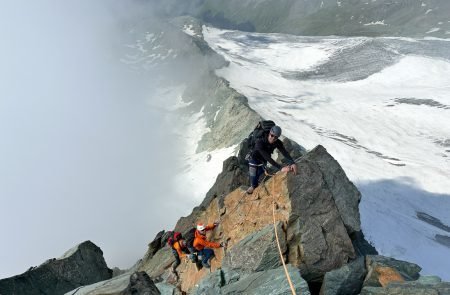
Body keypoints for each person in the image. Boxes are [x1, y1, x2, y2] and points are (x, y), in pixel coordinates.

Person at [247, 125, 297, 194]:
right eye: (272, 135)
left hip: (263, 160)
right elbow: (266, 156)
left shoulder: (277, 142)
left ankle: (257, 182)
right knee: (253, 173)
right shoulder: (260, 141)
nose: (273, 138)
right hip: (254, 158)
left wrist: (292, 163)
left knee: (259, 172)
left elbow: (284, 152)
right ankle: (253, 186)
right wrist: (281, 168)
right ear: (269, 133)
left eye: (276, 137)